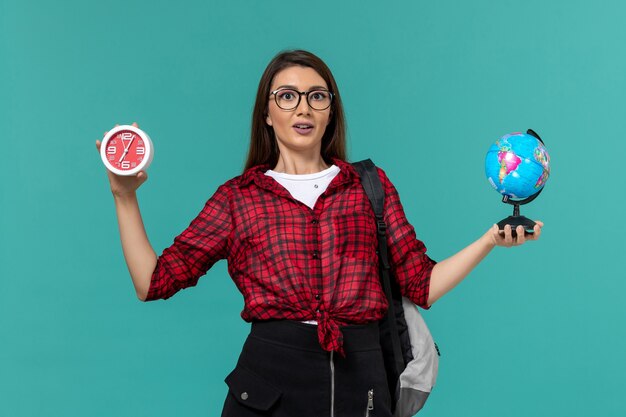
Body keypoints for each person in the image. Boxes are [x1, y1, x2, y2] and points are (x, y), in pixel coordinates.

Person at [96, 50, 543, 417]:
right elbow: (152, 281)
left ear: (331, 111)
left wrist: (489, 241)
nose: (303, 107)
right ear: (267, 113)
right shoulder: (239, 198)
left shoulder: (370, 186)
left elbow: (421, 285)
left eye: (316, 96)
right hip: (268, 386)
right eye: (287, 96)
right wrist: (124, 196)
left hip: (362, 386)